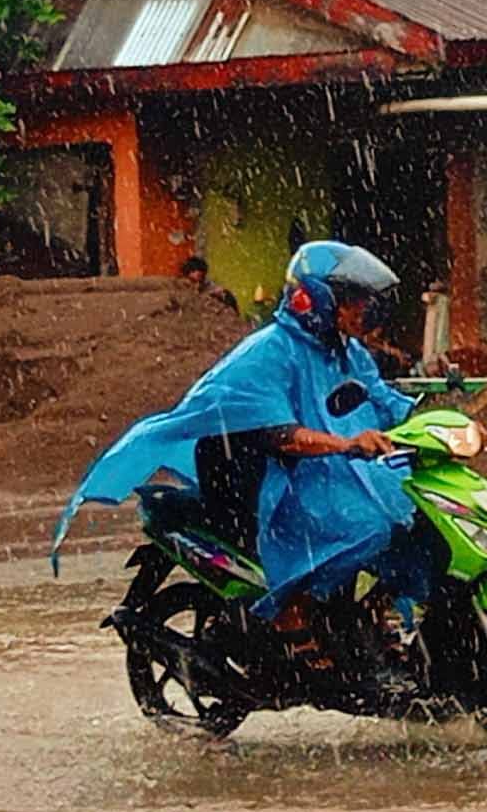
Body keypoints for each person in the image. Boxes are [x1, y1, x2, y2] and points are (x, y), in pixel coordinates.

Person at [54, 241, 428, 691]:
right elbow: (280, 435)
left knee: (414, 516)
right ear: (318, 298)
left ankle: (369, 612)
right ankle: (291, 611)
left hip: (330, 470)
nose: (362, 310)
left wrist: (446, 422)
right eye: (353, 299)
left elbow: (387, 403)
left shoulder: (347, 353)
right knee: (368, 526)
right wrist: (347, 443)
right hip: (268, 481)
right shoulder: (267, 352)